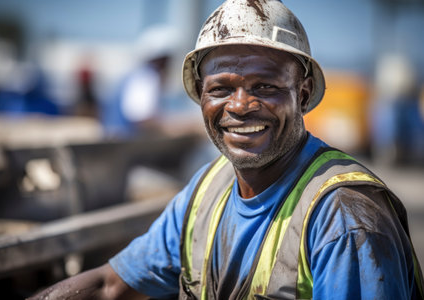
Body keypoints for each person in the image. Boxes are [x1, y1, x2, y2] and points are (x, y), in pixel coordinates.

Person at [29, 0, 424, 299]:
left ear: (302, 95)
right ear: (200, 96)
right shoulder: (207, 190)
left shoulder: (345, 219)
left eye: (265, 86)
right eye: (220, 89)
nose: (239, 106)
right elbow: (110, 284)